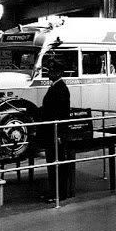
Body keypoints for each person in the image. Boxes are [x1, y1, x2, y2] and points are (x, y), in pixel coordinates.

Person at [39, 60, 71, 201]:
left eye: (51, 71)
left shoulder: (61, 89)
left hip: (56, 132)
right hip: (51, 132)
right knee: (52, 164)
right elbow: (47, 109)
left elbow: (60, 114)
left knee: (57, 165)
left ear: (58, 73)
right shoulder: (55, 87)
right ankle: (54, 191)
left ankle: (59, 194)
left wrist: (60, 134)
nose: (48, 73)